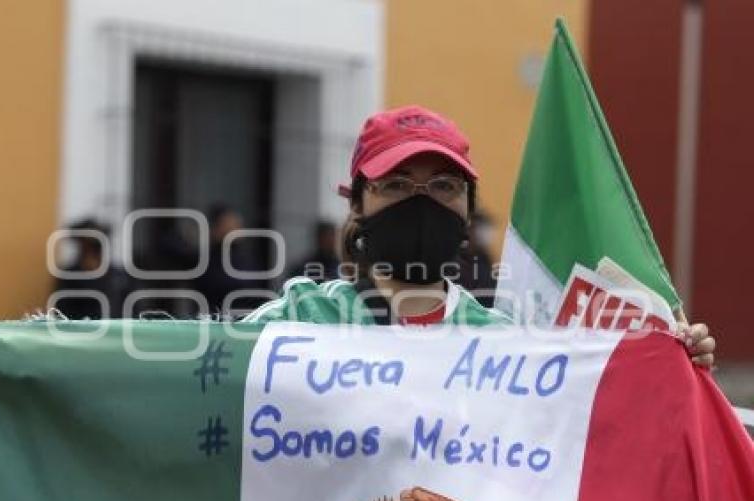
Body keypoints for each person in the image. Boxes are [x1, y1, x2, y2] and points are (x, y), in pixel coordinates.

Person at [243, 105, 716, 366]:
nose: (421, 201)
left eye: (444, 186)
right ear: (358, 204)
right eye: (396, 185)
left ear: (468, 210)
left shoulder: (505, 344)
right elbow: (193, 379)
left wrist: (674, 366)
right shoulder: (299, 315)